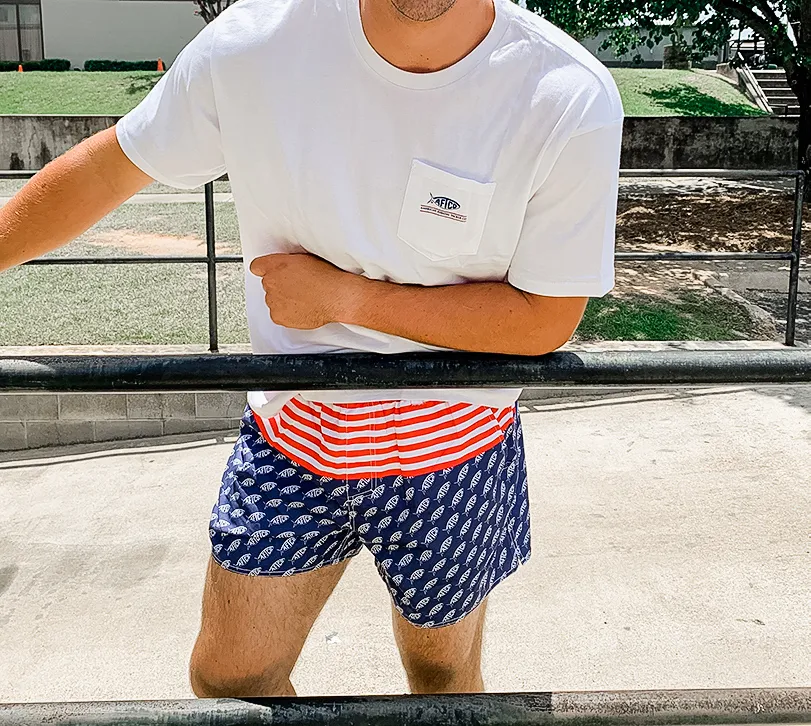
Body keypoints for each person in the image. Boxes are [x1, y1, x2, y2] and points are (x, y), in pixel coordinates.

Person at [0, 0, 623, 697]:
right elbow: (110, 168)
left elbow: (544, 319)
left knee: (442, 678)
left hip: (457, 446)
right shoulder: (254, 43)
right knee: (230, 680)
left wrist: (347, 300)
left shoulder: (564, 91)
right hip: (291, 435)